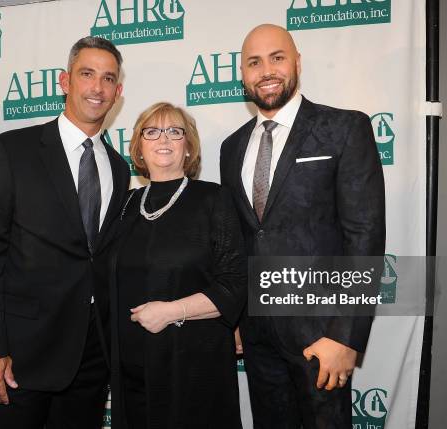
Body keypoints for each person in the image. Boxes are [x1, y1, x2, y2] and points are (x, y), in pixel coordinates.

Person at [0, 36, 130, 429]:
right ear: (64, 81)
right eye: (87, 74)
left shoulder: (120, 170)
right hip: (20, 360)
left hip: (91, 361)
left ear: (118, 92)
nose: (97, 88)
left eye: (108, 79)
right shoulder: (11, 152)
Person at [220, 24, 386, 429]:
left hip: (322, 335)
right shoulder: (231, 147)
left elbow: (364, 236)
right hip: (258, 339)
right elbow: (243, 240)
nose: (266, 71)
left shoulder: (344, 129)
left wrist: (345, 336)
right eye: (253, 62)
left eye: (277, 57)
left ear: (297, 62)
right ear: (243, 73)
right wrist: (237, 319)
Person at [96, 102, 247, 429]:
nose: (163, 139)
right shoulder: (126, 204)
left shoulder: (214, 200)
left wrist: (170, 311)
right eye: (151, 132)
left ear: (189, 146)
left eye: (174, 131)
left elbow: (234, 286)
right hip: (131, 371)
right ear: (138, 146)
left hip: (193, 369)